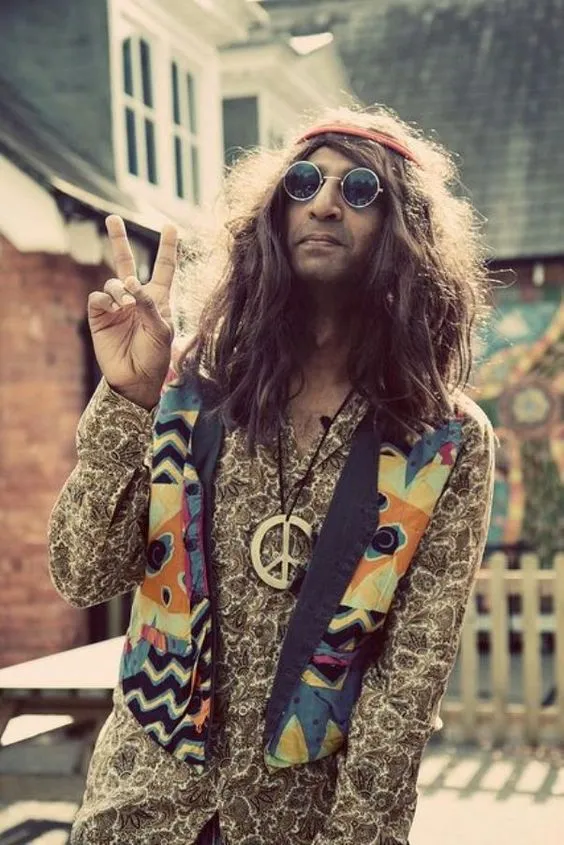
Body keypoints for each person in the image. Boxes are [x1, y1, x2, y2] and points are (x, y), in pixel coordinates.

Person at [48, 105, 495, 845]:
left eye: (359, 189)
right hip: (140, 811)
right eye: (303, 183)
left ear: (404, 231)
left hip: (298, 820)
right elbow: (81, 572)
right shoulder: (193, 386)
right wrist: (129, 400)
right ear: (273, 216)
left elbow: (404, 691)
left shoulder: (443, 441)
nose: (324, 203)